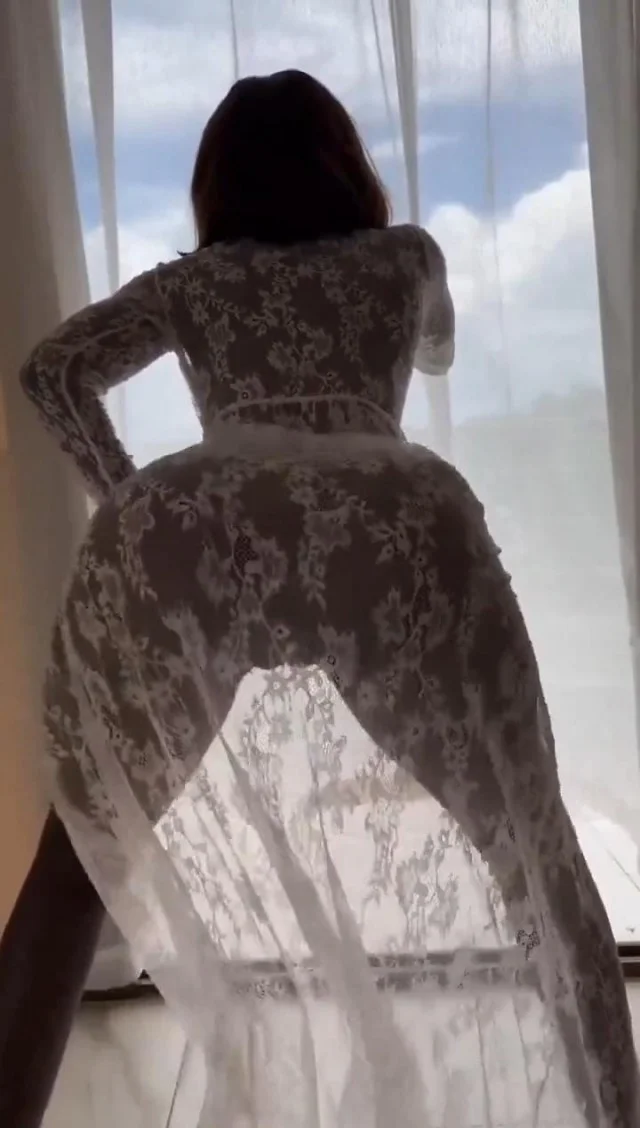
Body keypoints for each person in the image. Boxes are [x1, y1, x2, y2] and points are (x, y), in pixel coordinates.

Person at [0, 69, 637, 1128]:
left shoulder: (194, 280)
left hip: (201, 530)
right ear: (346, 164)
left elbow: (54, 372)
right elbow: (438, 350)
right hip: (383, 525)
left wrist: (140, 505)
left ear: (215, 184)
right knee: (529, 848)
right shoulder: (407, 256)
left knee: (74, 864)